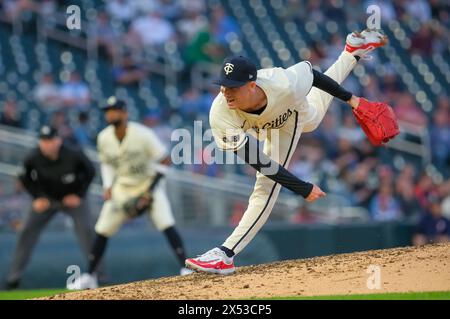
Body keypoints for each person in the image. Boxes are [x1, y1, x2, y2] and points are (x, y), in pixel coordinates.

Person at [186, 29, 389, 274]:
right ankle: (351, 52)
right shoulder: (220, 113)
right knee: (312, 117)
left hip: (287, 117)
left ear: (252, 85)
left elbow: (313, 76)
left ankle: (225, 254)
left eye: (233, 87)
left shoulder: (281, 82)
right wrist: (300, 187)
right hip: (264, 125)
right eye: (223, 86)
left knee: (266, 186)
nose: (226, 92)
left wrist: (352, 100)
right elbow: (258, 161)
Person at [67, 97, 191, 290]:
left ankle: (186, 267)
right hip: (122, 188)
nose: (110, 114)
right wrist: (108, 186)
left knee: (166, 222)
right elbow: (107, 163)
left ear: (124, 113)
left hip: (148, 185)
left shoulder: (143, 134)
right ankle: (90, 275)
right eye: (107, 110)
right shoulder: (104, 137)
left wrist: (149, 191)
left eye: (114, 110)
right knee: (102, 229)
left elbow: (166, 160)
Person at [5, 125, 96, 289]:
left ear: (58, 140)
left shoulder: (73, 153)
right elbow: (24, 178)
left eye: (50, 140)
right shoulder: (33, 157)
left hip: (71, 198)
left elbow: (90, 171)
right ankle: (13, 279)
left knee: (88, 230)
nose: (47, 144)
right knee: (26, 231)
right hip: (47, 200)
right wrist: (37, 197)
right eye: (43, 141)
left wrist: (79, 195)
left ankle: (98, 276)